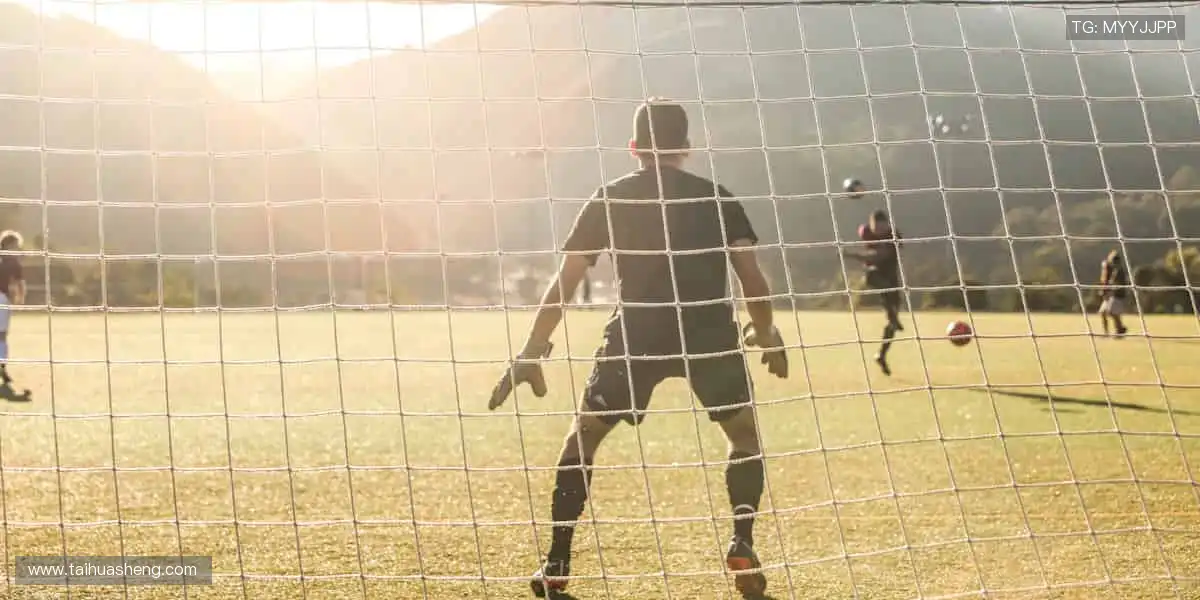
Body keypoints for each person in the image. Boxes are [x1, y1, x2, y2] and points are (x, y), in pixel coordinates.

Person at [487, 98, 789, 599]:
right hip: (708, 332)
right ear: (686, 149)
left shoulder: (610, 198)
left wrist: (533, 349)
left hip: (636, 335)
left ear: (633, 148)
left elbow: (564, 282)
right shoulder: (717, 198)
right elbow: (752, 279)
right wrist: (767, 331)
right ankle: (742, 541)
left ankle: (557, 562)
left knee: (582, 441)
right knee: (743, 437)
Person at [848, 209, 904, 376]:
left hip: (891, 278)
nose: (877, 231)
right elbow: (872, 260)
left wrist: (853, 255)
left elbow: (879, 256)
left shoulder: (893, 235)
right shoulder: (866, 232)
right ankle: (892, 315)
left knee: (892, 325)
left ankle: (881, 355)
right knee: (871, 274)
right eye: (875, 228)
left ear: (886, 225)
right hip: (875, 275)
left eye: (881, 227)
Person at [0, 231, 26, 387]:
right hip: (2, 299)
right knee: (1, 335)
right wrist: (21, 298)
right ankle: (2, 367)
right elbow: (20, 283)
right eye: (16, 245)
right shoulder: (13, 262)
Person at [1098, 249, 1130, 337]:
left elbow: (1117, 284)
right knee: (1103, 312)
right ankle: (1108, 332)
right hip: (1111, 295)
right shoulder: (1113, 270)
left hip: (1117, 296)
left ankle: (1120, 329)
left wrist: (1108, 291)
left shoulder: (1119, 271)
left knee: (1112, 312)